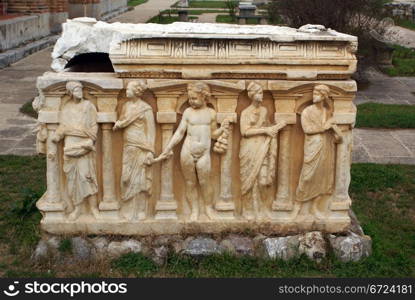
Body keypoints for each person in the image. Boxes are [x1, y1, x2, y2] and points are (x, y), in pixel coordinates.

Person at [155, 82, 229, 221]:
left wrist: (223, 130)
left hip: (204, 153)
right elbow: (180, 132)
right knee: (190, 182)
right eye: (189, 98)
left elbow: (213, 134)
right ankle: (194, 210)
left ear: (204, 97)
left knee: (204, 182)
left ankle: (207, 208)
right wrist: (168, 148)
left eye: (194, 98)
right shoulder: (188, 112)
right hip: (187, 151)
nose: (191, 101)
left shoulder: (211, 113)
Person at [52, 81, 99, 221]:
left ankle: (93, 208)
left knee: (87, 177)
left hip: (84, 142)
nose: (79, 92)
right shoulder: (66, 107)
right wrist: (57, 135)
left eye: (81, 89)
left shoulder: (88, 106)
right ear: (70, 92)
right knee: (72, 179)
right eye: (76, 90)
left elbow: (94, 125)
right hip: (70, 143)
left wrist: (91, 141)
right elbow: (63, 126)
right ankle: (77, 209)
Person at [239, 82, 286, 220]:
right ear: (252, 96)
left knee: (263, 180)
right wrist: (266, 130)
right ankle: (248, 209)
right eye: (259, 93)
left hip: (263, 147)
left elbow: (268, 126)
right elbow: (244, 131)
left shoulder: (264, 110)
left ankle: (261, 208)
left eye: (261, 92)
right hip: (249, 148)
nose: (262, 95)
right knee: (249, 181)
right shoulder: (246, 112)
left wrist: (276, 127)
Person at [296, 84, 343, 220]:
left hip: (325, 145)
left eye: (317, 93)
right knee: (307, 176)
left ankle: (314, 207)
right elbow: (307, 129)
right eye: (314, 92)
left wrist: (336, 134)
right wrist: (324, 127)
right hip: (312, 146)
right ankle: (299, 206)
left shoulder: (326, 111)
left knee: (323, 176)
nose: (314, 95)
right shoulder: (307, 111)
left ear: (324, 96)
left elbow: (332, 130)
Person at [113, 80, 155, 221]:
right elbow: (123, 120)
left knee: (141, 179)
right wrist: (119, 124)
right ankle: (128, 209)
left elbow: (151, 131)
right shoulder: (125, 106)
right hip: (128, 146)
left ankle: (141, 210)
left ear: (137, 91)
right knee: (127, 178)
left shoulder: (146, 108)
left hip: (142, 146)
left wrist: (151, 151)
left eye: (129, 89)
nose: (126, 91)